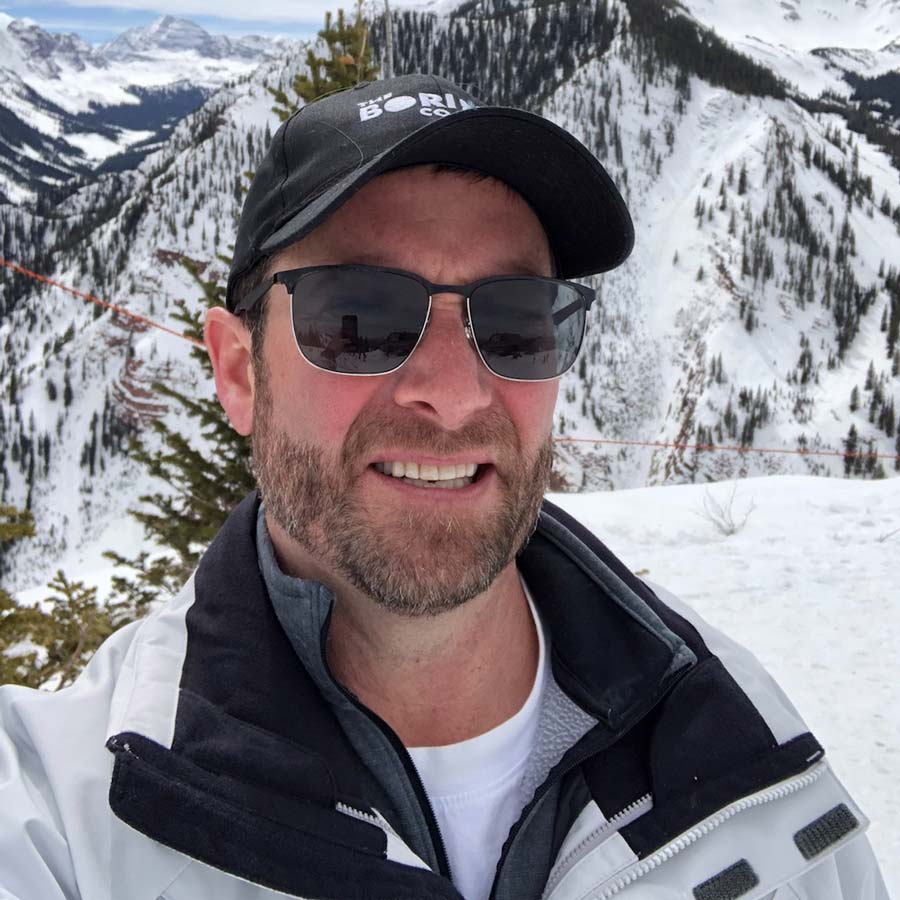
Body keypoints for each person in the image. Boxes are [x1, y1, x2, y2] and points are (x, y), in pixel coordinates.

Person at [0, 74, 889, 900]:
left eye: (516, 322)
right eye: (359, 317)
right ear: (239, 373)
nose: (456, 393)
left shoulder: (749, 766)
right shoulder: (70, 819)